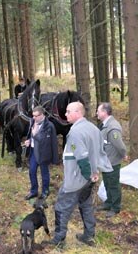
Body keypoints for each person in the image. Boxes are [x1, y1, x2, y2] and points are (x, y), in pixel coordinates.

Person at [46, 102, 112, 247]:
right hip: (91, 177)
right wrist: (95, 173)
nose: (65, 114)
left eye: (68, 111)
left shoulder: (75, 133)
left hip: (77, 179)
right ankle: (89, 235)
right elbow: (100, 152)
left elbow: (81, 157)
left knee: (61, 207)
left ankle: (59, 239)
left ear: (78, 112)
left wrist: (88, 174)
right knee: (86, 205)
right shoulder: (93, 128)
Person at [96, 102, 127, 218]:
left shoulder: (112, 127)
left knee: (113, 184)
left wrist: (124, 154)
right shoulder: (104, 125)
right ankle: (108, 203)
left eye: (98, 111)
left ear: (104, 112)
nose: (97, 113)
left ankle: (115, 207)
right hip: (105, 160)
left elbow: (119, 145)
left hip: (112, 161)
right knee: (107, 183)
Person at [24, 106, 58, 200]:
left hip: (44, 153)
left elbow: (43, 140)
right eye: (33, 116)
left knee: (44, 173)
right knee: (32, 171)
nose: (33, 118)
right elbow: (32, 136)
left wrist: (34, 134)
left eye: (36, 116)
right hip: (33, 152)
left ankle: (45, 192)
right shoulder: (32, 122)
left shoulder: (49, 125)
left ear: (42, 115)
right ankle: (34, 191)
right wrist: (29, 140)